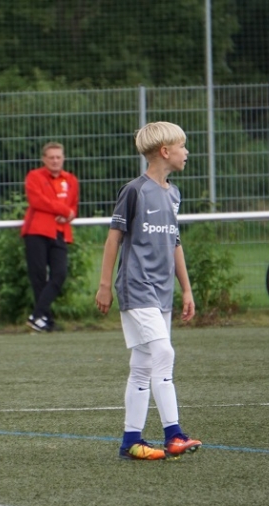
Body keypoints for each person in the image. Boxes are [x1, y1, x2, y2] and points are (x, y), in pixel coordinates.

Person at [94, 122, 202, 461]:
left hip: (162, 291)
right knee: (163, 353)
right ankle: (174, 435)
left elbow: (175, 243)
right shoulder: (134, 191)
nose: (187, 152)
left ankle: (131, 442)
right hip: (136, 286)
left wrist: (186, 289)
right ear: (165, 152)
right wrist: (104, 285)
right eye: (182, 146)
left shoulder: (174, 193)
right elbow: (114, 239)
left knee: (142, 364)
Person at [21, 142, 79, 332]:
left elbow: (73, 207)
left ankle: (36, 315)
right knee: (38, 277)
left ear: (63, 158)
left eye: (58, 157)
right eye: (51, 157)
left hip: (60, 232)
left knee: (59, 274)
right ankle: (45, 321)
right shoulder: (34, 176)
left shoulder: (71, 180)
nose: (55, 161)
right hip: (36, 231)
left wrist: (68, 214)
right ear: (44, 159)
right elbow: (38, 201)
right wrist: (64, 210)